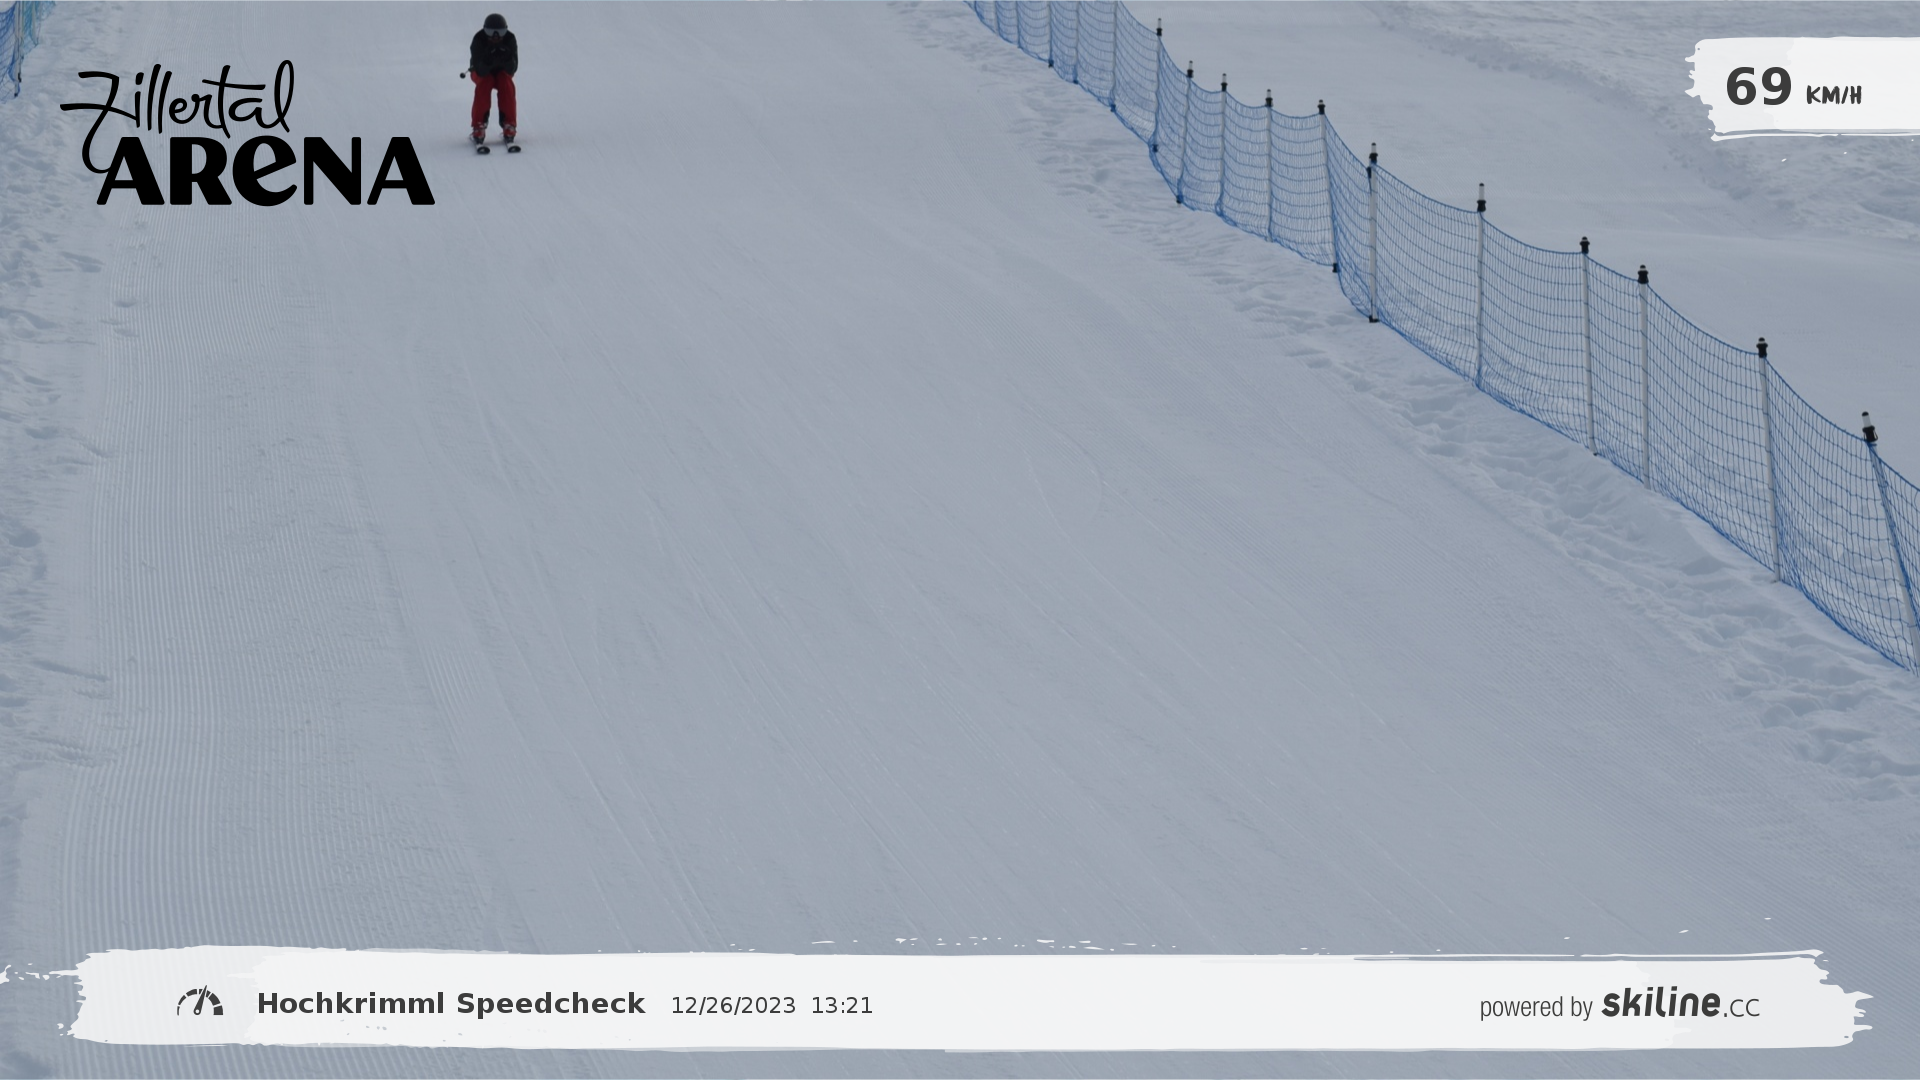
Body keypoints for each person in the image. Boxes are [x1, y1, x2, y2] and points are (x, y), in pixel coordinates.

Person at [469, 13, 518, 146]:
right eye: (490, 32)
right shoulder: (479, 39)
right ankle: (479, 125)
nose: (495, 36)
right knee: (486, 81)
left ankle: (509, 124)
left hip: (502, 72)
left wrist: (507, 57)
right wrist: (487, 60)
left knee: (505, 82)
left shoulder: (510, 39)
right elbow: (480, 71)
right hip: (481, 72)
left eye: (500, 32)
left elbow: (512, 69)